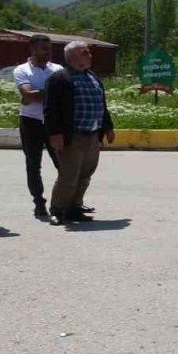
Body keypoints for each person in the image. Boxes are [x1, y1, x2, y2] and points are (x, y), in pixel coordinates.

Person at [44, 41, 115, 225]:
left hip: (92, 135)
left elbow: (101, 105)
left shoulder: (93, 77)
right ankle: (58, 210)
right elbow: (51, 109)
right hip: (72, 136)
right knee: (69, 175)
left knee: (85, 174)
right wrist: (55, 133)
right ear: (73, 56)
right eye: (85, 52)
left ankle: (75, 208)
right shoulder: (60, 78)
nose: (90, 55)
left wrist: (108, 127)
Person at [15, 34, 63, 218]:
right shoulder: (22, 70)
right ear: (32, 49)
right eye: (44, 49)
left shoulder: (57, 69)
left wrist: (36, 95)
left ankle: (63, 201)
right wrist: (36, 96)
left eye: (49, 49)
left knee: (63, 163)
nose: (48, 52)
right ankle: (39, 202)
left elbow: (64, 93)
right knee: (33, 164)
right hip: (31, 122)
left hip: (54, 123)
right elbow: (28, 95)